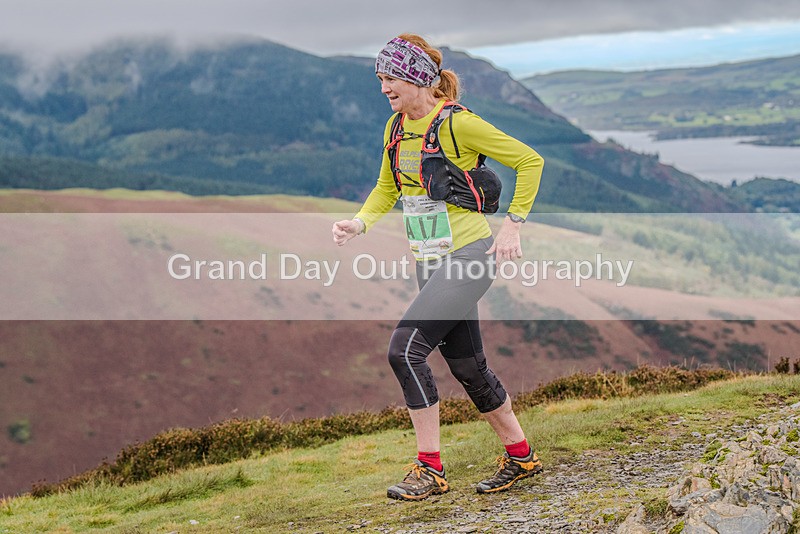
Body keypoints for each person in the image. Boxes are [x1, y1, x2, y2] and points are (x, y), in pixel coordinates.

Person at [332, 33, 545, 501]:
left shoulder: (457, 125)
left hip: (469, 257)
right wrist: (359, 223)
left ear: (414, 77)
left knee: (404, 351)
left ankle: (430, 469)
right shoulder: (395, 130)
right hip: (429, 261)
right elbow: (388, 187)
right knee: (468, 367)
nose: (384, 88)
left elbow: (530, 161)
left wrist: (512, 226)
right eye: (380, 79)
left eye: (389, 78)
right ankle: (522, 456)